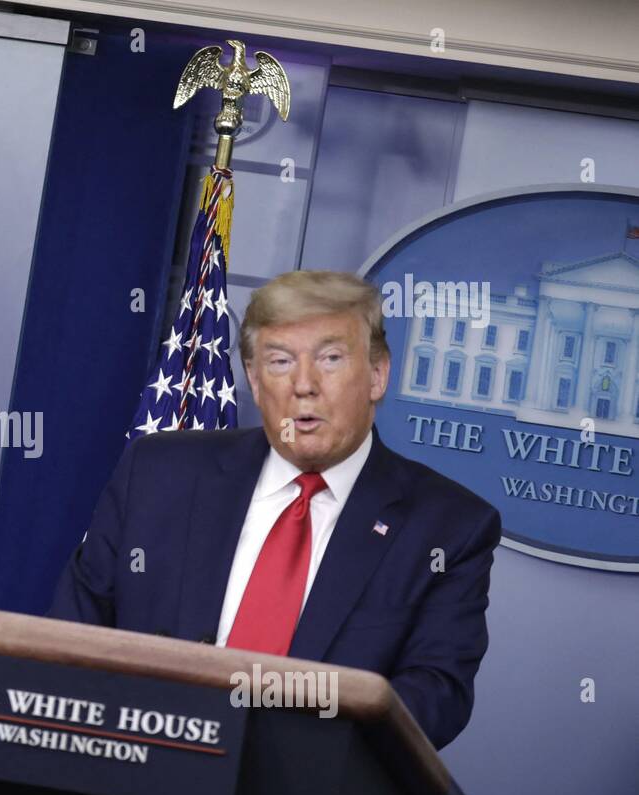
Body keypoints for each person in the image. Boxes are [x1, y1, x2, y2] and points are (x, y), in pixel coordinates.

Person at [49, 270, 500, 750]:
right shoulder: (158, 473)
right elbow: (71, 637)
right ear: (254, 379)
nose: (304, 385)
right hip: (132, 781)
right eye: (280, 361)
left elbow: (433, 698)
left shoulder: (448, 528)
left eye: (330, 358)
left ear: (377, 374)